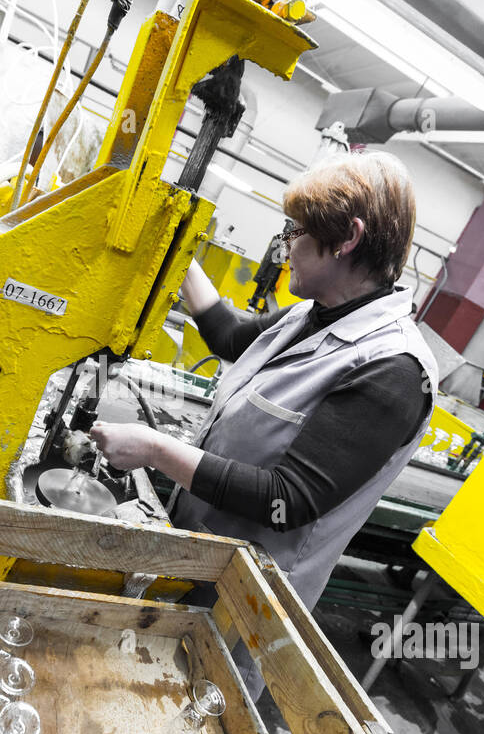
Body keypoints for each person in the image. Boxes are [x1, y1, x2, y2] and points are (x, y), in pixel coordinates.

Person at [90, 151, 439, 644]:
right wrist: (179, 248)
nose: (284, 248)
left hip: (247, 596)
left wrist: (153, 448)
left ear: (347, 240)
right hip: (196, 553)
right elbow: (229, 337)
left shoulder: (393, 370)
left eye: (295, 233)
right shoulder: (312, 315)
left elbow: (287, 498)